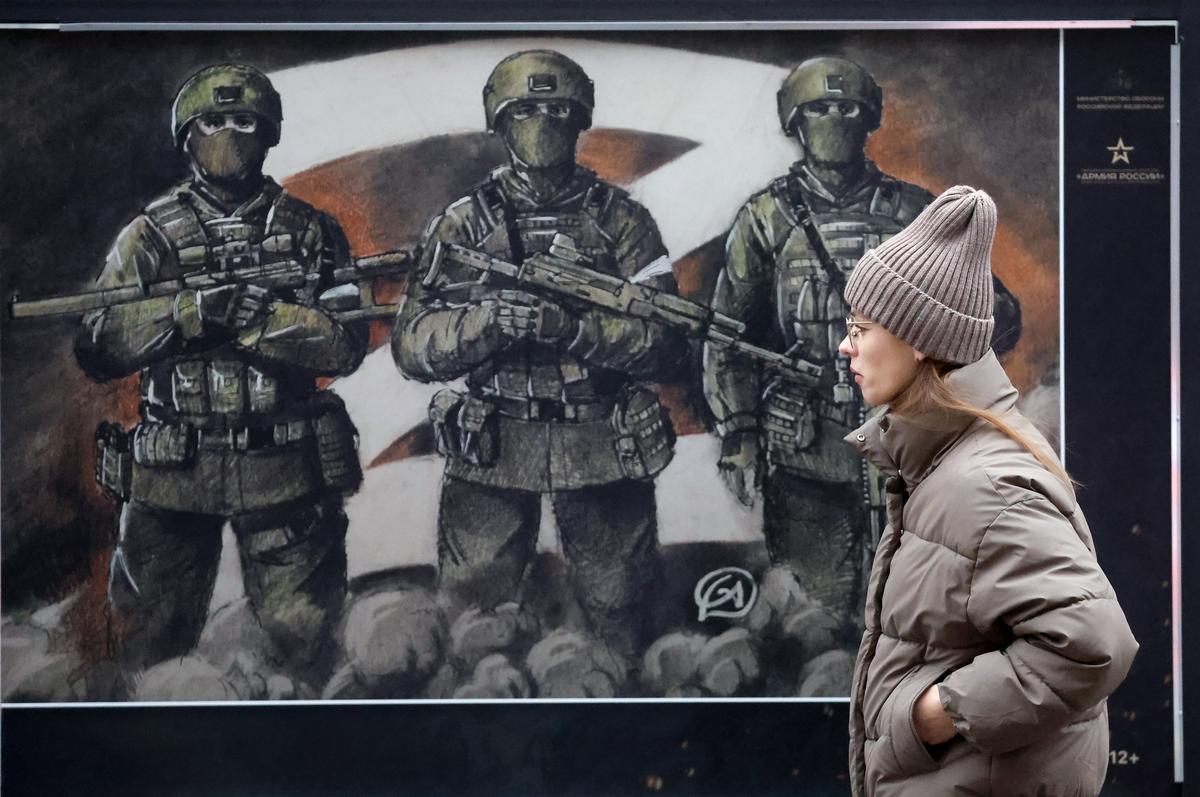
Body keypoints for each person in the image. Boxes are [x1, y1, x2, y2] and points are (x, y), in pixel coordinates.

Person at [704, 56, 1021, 635]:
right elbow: (728, 339)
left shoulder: (913, 211)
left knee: (923, 616)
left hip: (912, 446)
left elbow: (999, 318)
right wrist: (739, 437)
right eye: (818, 108)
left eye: (846, 108)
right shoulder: (767, 218)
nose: (833, 120)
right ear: (794, 121)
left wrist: (925, 328)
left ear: (868, 118)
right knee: (815, 617)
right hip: (806, 443)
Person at [840, 185, 1137, 795]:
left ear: (917, 339)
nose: (846, 345)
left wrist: (935, 714)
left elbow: (1092, 644)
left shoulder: (983, 485)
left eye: (859, 327)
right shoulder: (944, 461)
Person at [74, 64, 366, 685]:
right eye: (213, 121)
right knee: (146, 654)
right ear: (188, 134)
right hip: (173, 470)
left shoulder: (312, 231)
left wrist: (265, 320)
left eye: (243, 121)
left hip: (284, 470)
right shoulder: (148, 236)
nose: (229, 133)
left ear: (268, 134)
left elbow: (345, 342)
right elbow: (100, 343)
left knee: (307, 648)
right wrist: (190, 314)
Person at [391, 50, 686, 657]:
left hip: (601, 442)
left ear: (580, 120)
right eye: (525, 109)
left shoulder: (624, 222)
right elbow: (413, 344)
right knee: (473, 622)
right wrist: (486, 324)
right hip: (493, 442)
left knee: (621, 615)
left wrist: (572, 329)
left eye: (557, 109)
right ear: (499, 121)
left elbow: (666, 343)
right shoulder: (460, 224)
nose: (542, 122)